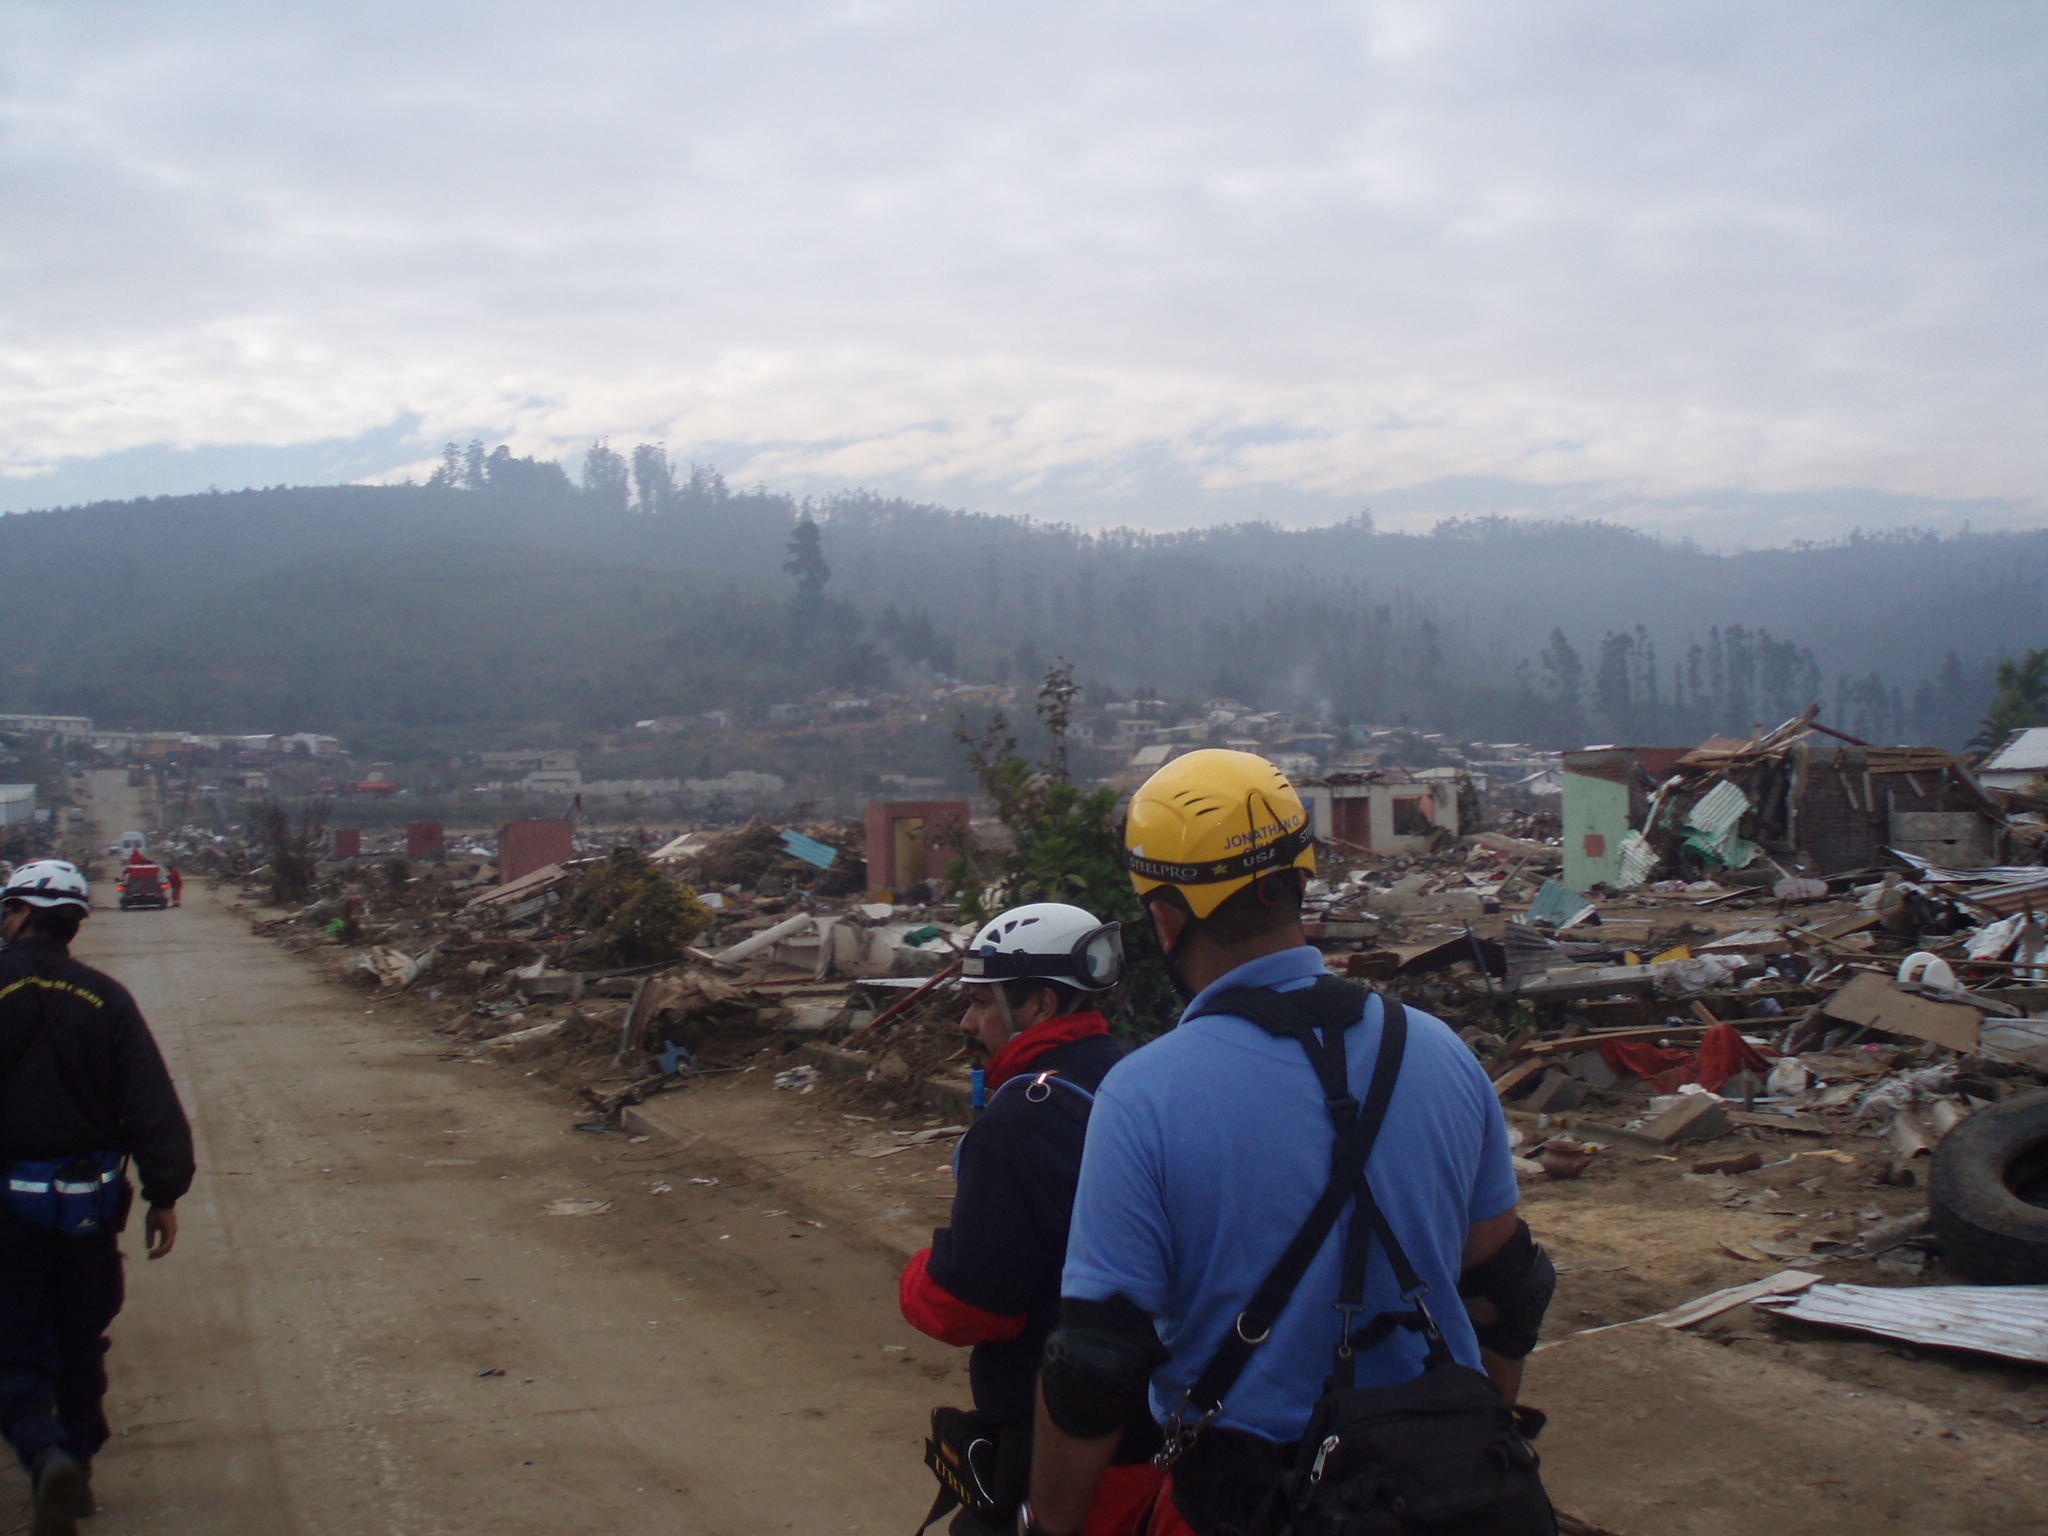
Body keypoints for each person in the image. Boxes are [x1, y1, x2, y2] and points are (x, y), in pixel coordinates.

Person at [1019, 751, 1554, 1536]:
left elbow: (1093, 1368)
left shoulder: (1142, 1096)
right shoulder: (1442, 1053)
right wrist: (1460, 1443)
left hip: (1244, 1497)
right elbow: (1508, 1287)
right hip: (1452, 1488)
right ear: (1301, 880)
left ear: (1166, 916)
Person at [900, 903, 1162, 1536]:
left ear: (1040, 1006)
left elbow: (975, 1304)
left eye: (983, 1003)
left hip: (1060, 1443)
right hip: (1157, 1428)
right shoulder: (1139, 1079)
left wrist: (917, 1277)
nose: (968, 1022)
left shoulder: (1019, 1121)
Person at [0, 860, 194, 1535]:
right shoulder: (106, 999)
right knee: (82, 1338)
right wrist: (164, 1192)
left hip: (8, 1207)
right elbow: (150, 1103)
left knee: (15, 1342)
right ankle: (76, 1465)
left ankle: (43, 1449)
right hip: (88, 1203)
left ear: (21, 914)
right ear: (74, 921)